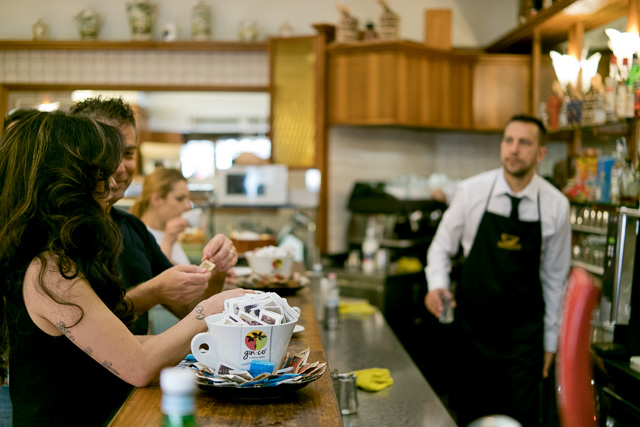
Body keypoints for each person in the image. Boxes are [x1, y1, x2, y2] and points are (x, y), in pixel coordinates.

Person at [0, 111, 250, 425]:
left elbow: (122, 345)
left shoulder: (62, 257)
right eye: (102, 172)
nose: (114, 179)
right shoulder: (49, 272)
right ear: (66, 181)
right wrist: (209, 313)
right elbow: (138, 365)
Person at [424, 114, 571, 426]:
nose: (514, 149)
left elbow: (555, 280)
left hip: (523, 342)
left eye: (524, 142)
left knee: (522, 420)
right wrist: (436, 285)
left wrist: (550, 343)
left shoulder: (556, 205)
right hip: (473, 337)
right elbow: (440, 248)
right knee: (471, 418)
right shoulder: (471, 191)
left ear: (541, 153)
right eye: (508, 141)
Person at [69, 97, 238, 334]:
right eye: (109, 153)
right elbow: (83, 325)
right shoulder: (63, 230)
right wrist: (152, 292)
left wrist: (219, 268)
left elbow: (192, 310)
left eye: (128, 154)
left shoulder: (134, 229)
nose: (120, 168)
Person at [130, 167, 193, 265]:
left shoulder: (167, 231)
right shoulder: (137, 238)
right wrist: (168, 240)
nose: (188, 206)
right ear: (156, 200)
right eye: (180, 199)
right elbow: (160, 278)